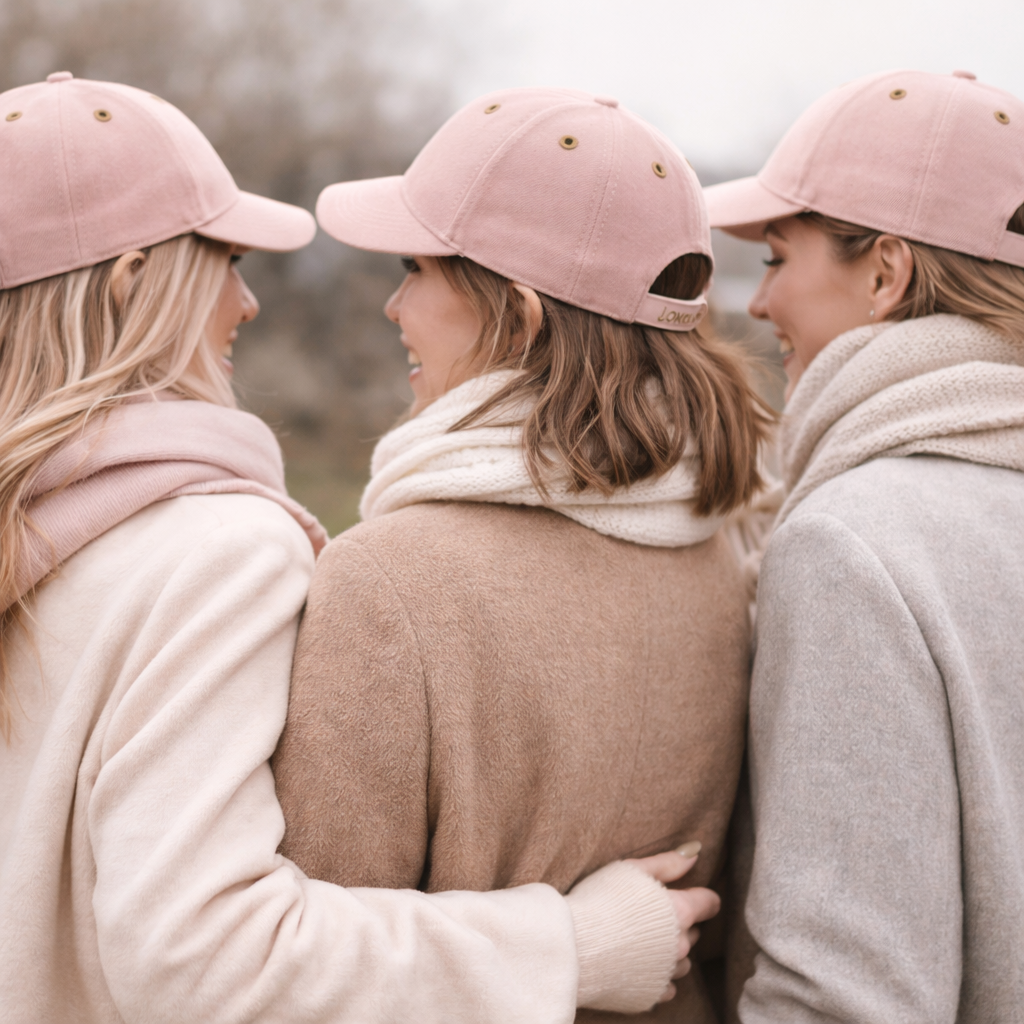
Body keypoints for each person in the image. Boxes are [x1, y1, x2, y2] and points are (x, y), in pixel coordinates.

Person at [0, 73, 717, 1024]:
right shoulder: (218, 554)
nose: (248, 302)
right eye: (222, 258)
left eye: (413, 268)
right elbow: (204, 960)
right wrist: (570, 949)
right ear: (134, 281)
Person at [272, 87, 773, 1024]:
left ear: (524, 318)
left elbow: (311, 970)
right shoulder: (722, 549)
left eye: (418, 268)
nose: (392, 304)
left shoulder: (390, 579)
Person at [704, 69, 1024, 1022]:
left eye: (774, 258)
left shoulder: (856, 544)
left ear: (884, 273)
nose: (757, 306)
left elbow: (845, 996)